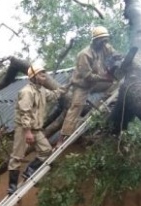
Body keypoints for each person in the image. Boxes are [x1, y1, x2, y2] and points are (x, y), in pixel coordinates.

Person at [7, 64, 66, 195]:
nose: (44, 75)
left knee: (46, 150)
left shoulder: (41, 90)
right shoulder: (27, 92)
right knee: (17, 156)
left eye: (44, 73)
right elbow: (25, 112)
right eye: (41, 73)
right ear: (33, 76)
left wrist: (66, 88)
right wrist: (27, 131)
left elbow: (53, 95)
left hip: (36, 129)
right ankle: (12, 186)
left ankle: (29, 171)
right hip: (24, 128)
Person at [58, 26, 119, 146]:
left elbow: (114, 53)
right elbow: (88, 76)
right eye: (103, 40)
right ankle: (62, 137)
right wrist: (105, 77)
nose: (105, 43)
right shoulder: (84, 54)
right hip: (83, 85)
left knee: (116, 84)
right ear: (95, 40)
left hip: (96, 82)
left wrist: (118, 58)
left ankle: (103, 102)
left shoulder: (104, 47)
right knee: (76, 107)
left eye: (106, 40)